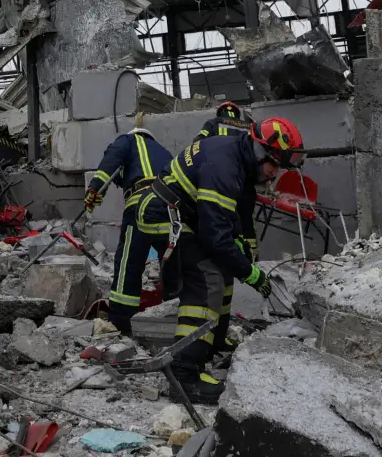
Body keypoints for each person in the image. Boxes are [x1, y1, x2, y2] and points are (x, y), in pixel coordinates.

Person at [160, 115, 303, 404]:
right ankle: (184, 375)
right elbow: (215, 238)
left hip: (187, 213)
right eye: (274, 165)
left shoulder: (239, 158)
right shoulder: (225, 166)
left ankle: (212, 343)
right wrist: (249, 272)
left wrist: (242, 246)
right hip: (165, 212)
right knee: (206, 278)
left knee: (221, 272)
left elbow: (236, 214)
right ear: (261, 151)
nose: (274, 174)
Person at [83, 123, 174, 336]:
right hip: (171, 208)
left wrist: (95, 188)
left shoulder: (130, 140)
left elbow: (113, 158)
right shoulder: (165, 153)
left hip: (142, 202)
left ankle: (121, 321)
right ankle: (174, 311)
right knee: (171, 261)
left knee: (128, 262)